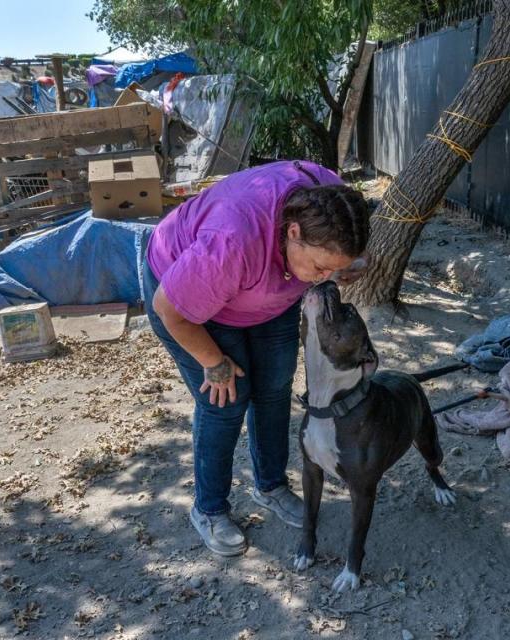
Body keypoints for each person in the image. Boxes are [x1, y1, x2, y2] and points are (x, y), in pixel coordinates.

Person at [143, 159, 371, 556]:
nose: (323, 278)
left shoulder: (334, 204)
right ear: (293, 232)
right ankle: (210, 509)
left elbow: (334, 256)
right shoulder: (233, 241)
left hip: (265, 293)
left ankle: (271, 485)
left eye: (331, 270)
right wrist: (214, 363)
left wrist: (341, 268)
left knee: (274, 388)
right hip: (191, 301)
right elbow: (170, 310)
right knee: (226, 400)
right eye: (320, 267)